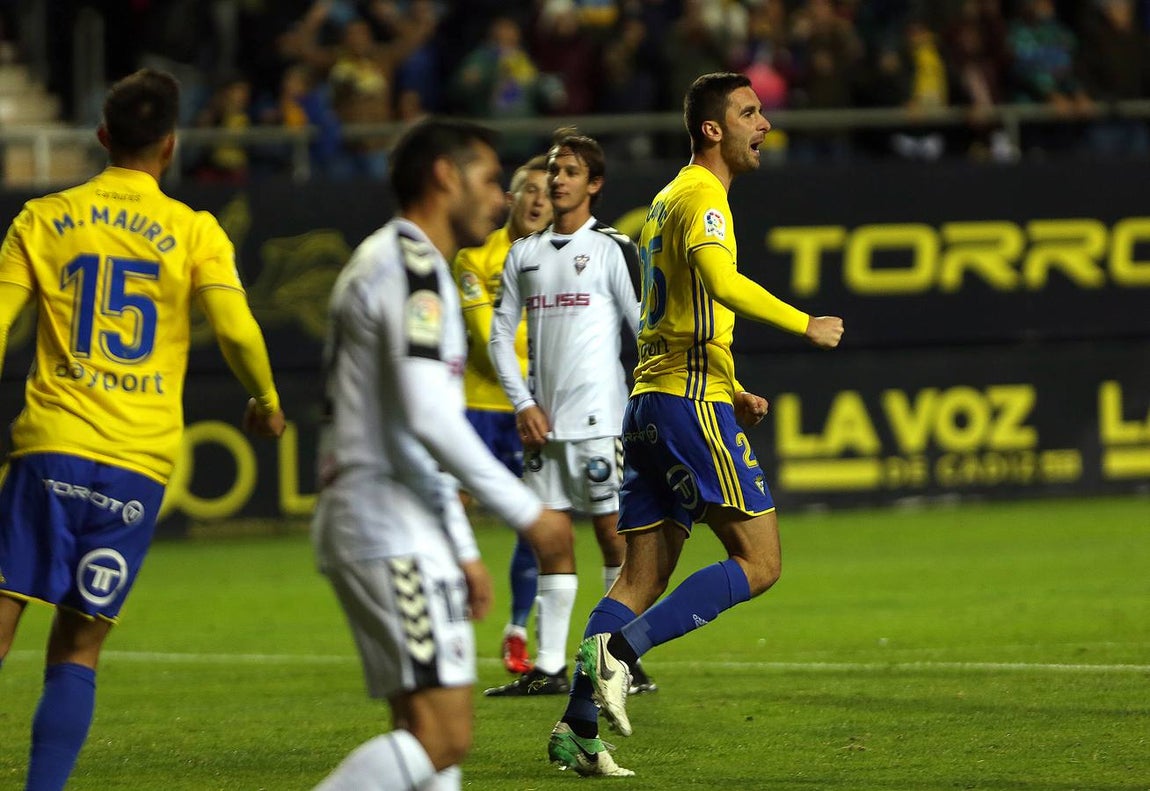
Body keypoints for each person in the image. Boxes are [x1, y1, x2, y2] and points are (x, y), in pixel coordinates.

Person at [546, 72, 844, 777]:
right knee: (760, 562)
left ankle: (577, 729)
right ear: (713, 128)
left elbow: (675, 308)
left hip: (651, 400)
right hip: (685, 402)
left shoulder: (667, 198)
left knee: (638, 579)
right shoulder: (705, 197)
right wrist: (805, 322)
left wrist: (731, 384)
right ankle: (621, 654)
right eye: (749, 112)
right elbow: (717, 281)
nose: (764, 124)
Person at [0, 68, 286, 791]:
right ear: (171, 144)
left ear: (102, 136)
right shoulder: (194, 230)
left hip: (52, 445)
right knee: (78, 648)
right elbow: (235, 329)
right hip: (137, 465)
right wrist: (265, 398)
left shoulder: (42, 217)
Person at [310, 117, 567, 791]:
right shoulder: (413, 268)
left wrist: (461, 544)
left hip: (399, 517)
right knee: (443, 736)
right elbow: (429, 418)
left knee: (425, 739)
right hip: (385, 520)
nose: (500, 196)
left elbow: (412, 427)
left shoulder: (404, 264)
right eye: (488, 178)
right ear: (445, 176)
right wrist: (528, 514)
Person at [485, 128, 649, 699]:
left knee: (613, 537)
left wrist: (645, 403)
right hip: (543, 428)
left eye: (570, 171)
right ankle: (551, 666)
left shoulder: (612, 248)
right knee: (550, 541)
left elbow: (642, 328)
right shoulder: (524, 254)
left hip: (601, 423)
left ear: (594, 184)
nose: (557, 180)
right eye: (554, 169)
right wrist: (524, 403)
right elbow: (499, 336)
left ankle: (622, 659)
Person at [451, 154, 553, 676]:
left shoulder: (562, 262)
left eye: (547, 192)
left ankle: (517, 631)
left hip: (533, 411)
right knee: (449, 513)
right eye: (528, 190)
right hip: (477, 407)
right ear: (510, 199)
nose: (538, 200)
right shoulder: (474, 258)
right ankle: (447, 621)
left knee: (536, 524)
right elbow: (485, 336)